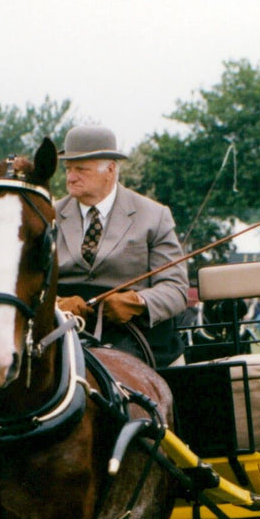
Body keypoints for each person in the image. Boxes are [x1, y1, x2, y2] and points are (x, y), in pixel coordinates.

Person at [54, 125, 188, 368]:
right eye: (68, 169)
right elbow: (29, 282)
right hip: (65, 335)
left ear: (110, 170)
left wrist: (138, 302)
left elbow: (176, 289)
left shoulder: (154, 216)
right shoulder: (48, 217)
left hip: (140, 337)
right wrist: (55, 304)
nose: (71, 178)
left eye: (80, 170)